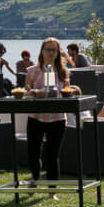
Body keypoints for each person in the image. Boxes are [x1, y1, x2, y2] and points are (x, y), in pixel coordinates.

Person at [24, 38, 71, 180]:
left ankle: (52, 190)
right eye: (48, 49)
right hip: (36, 116)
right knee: (33, 153)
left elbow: (66, 91)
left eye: (54, 50)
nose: (51, 53)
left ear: (58, 53)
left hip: (57, 118)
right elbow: (27, 92)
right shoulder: (32, 71)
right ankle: (35, 180)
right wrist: (32, 92)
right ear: (42, 51)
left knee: (52, 155)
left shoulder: (63, 72)